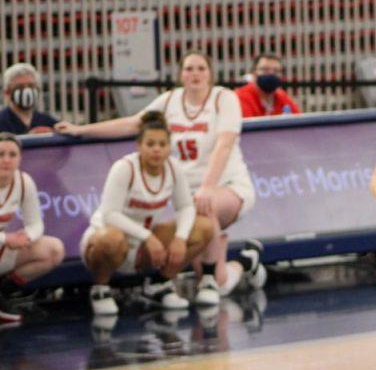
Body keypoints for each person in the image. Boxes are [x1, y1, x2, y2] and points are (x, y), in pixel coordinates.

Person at [56, 52, 266, 306]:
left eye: (201, 68)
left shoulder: (224, 98)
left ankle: (202, 280)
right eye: (189, 69)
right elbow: (132, 124)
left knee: (203, 206)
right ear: (180, 74)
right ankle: (243, 263)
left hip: (227, 186)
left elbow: (224, 145)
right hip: (186, 194)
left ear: (210, 73)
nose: (195, 74)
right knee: (220, 281)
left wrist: (207, 188)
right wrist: (81, 129)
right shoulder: (169, 102)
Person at [81, 111, 216, 316]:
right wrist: (149, 237)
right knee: (111, 238)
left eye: (162, 145)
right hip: (108, 241)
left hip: (143, 246)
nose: (156, 150)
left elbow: (186, 207)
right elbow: (109, 215)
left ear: (169, 147)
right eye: (150, 144)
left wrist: (180, 238)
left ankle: (159, 285)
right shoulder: (124, 168)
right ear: (139, 146)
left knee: (204, 228)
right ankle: (100, 289)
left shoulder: (173, 168)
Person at [0, 133, 65, 325]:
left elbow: (36, 223)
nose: (6, 160)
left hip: (4, 249)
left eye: (12, 154)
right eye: (1, 154)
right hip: (3, 242)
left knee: (54, 250)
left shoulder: (24, 181)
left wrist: (27, 236)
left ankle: (3, 291)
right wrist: (6, 239)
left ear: (20, 159)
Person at [235, 53, 301, 118]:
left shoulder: (282, 96)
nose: (271, 74)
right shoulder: (241, 97)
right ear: (254, 73)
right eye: (265, 70)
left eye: (276, 71)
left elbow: (299, 121)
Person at [0, 63, 59, 135]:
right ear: (7, 92)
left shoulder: (47, 121)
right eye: (20, 86)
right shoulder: (2, 121)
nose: (27, 90)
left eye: (31, 85)